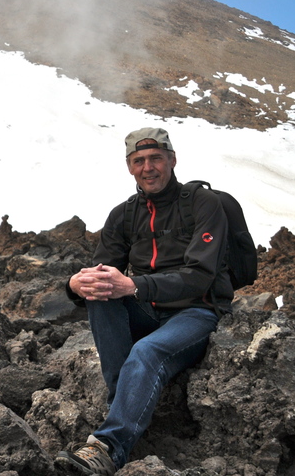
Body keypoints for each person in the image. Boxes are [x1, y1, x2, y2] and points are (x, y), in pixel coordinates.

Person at [54, 127, 231, 476]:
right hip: (149, 313)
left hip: (197, 312)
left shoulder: (204, 203)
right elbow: (103, 274)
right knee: (101, 293)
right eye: (139, 161)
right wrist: (76, 284)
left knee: (146, 352)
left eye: (156, 158)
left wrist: (133, 285)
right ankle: (129, 407)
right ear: (129, 167)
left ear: (172, 160)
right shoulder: (124, 214)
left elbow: (199, 275)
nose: (148, 167)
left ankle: (108, 448)